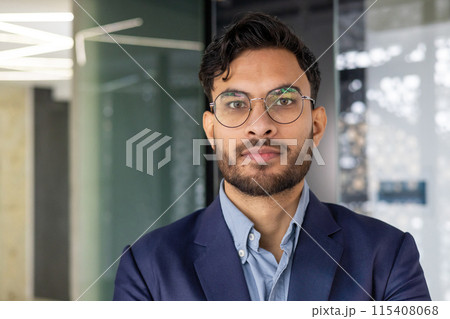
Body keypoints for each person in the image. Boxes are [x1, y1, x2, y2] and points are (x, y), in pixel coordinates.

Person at [113, 12, 430, 301]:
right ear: (211, 131)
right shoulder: (147, 267)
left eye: (284, 100)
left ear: (316, 126)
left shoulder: (387, 257)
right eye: (236, 104)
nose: (260, 126)